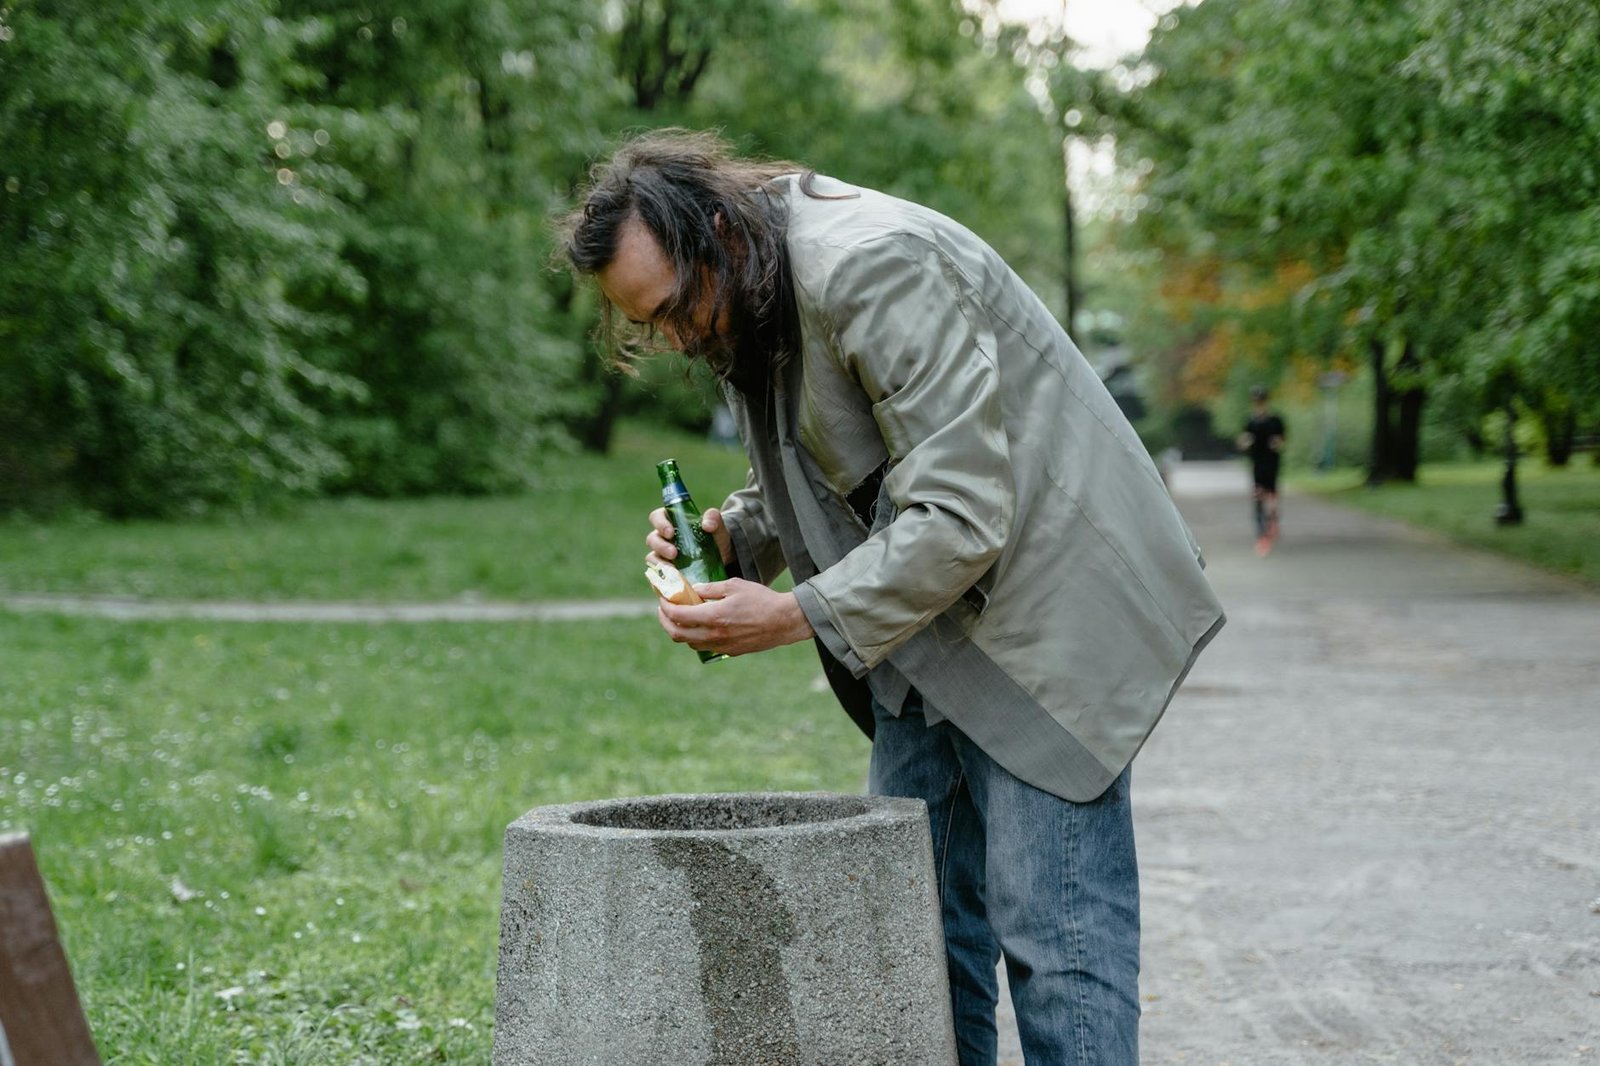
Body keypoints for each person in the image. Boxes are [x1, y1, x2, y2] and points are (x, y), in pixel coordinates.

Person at [560, 129, 1225, 1066]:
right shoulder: (750, 285)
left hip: (1044, 619)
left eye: (672, 310)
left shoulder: (873, 265)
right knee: (915, 939)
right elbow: (830, 457)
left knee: (1056, 944)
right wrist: (736, 538)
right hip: (919, 635)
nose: (673, 339)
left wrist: (792, 615)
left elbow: (958, 513)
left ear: (716, 230)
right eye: (648, 325)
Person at [1237, 386, 1286, 555]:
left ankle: (1272, 524)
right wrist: (1245, 443)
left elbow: (1282, 441)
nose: (1259, 403)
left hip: (1271, 464)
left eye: (1261, 400)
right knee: (1258, 497)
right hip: (1257, 465)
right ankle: (1262, 535)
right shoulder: (1251, 422)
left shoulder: (1275, 421)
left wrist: (1276, 443)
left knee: (1271, 500)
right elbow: (1242, 442)